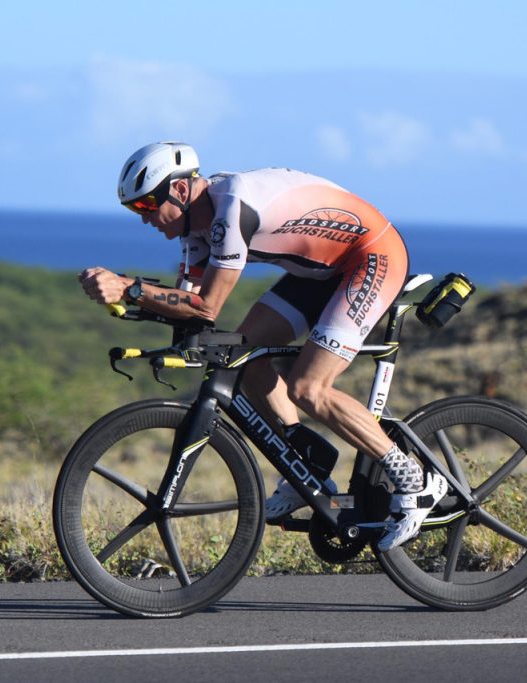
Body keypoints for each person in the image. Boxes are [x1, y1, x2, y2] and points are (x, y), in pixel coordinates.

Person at [79, 141, 446, 551]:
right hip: (319, 273)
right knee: (244, 357)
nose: (143, 219)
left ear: (180, 191)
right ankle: (306, 466)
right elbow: (192, 313)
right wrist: (132, 301)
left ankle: (414, 478)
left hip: (370, 257)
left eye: (146, 206)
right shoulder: (195, 231)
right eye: (135, 211)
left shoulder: (231, 207)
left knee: (309, 387)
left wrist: (129, 288)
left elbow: (206, 303)